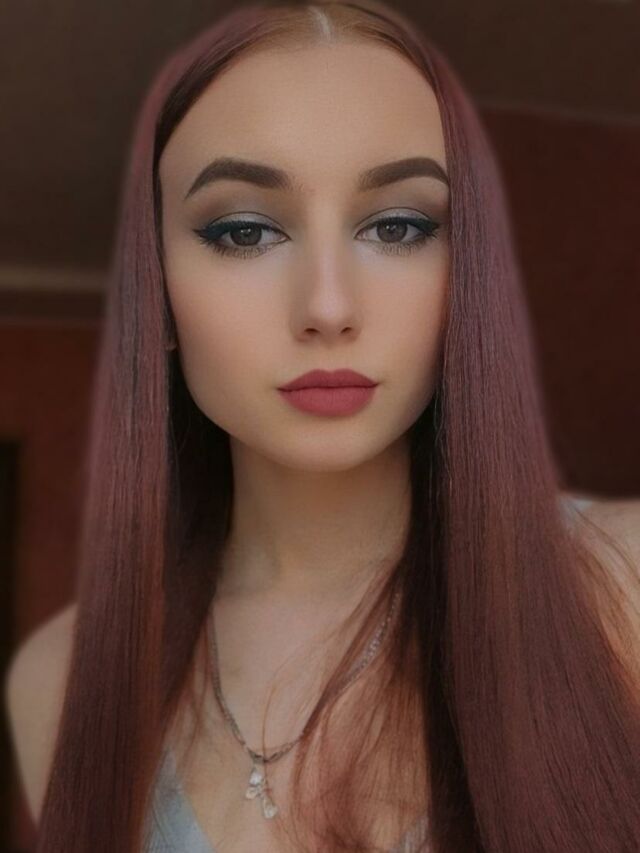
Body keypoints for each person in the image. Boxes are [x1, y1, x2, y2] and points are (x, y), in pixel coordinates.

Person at [5, 1, 640, 851]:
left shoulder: (624, 585)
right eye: (244, 231)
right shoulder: (58, 679)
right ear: (156, 289)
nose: (329, 306)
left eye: (399, 226)